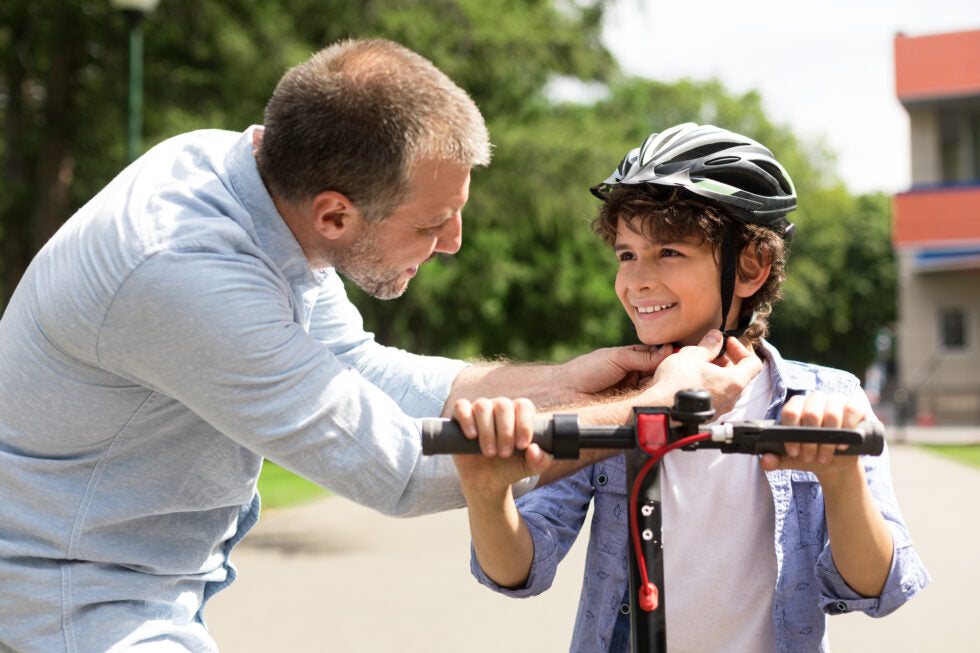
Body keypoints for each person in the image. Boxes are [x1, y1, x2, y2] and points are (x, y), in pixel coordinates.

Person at [0, 41, 764, 651]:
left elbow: (365, 370)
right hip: (70, 604)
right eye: (432, 223)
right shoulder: (185, 274)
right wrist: (661, 408)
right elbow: (399, 469)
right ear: (334, 214)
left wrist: (567, 383)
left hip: (138, 585)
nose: (454, 243)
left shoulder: (252, 185)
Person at [455, 123, 931, 652]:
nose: (635, 281)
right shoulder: (612, 404)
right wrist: (486, 491)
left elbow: (878, 586)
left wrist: (842, 479)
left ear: (749, 269)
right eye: (626, 254)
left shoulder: (826, 399)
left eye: (669, 253)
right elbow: (522, 568)